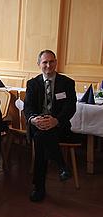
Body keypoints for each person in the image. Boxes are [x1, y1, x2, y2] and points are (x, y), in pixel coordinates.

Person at [24, 49, 77, 202]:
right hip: (38, 123)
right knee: (42, 133)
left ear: (56, 62)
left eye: (51, 61)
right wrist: (33, 119)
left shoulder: (67, 83)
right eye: (45, 62)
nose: (48, 65)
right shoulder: (33, 84)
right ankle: (61, 166)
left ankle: (39, 188)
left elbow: (70, 108)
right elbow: (28, 107)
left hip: (59, 126)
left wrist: (56, 120)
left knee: (41, 139)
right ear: (39, 64)